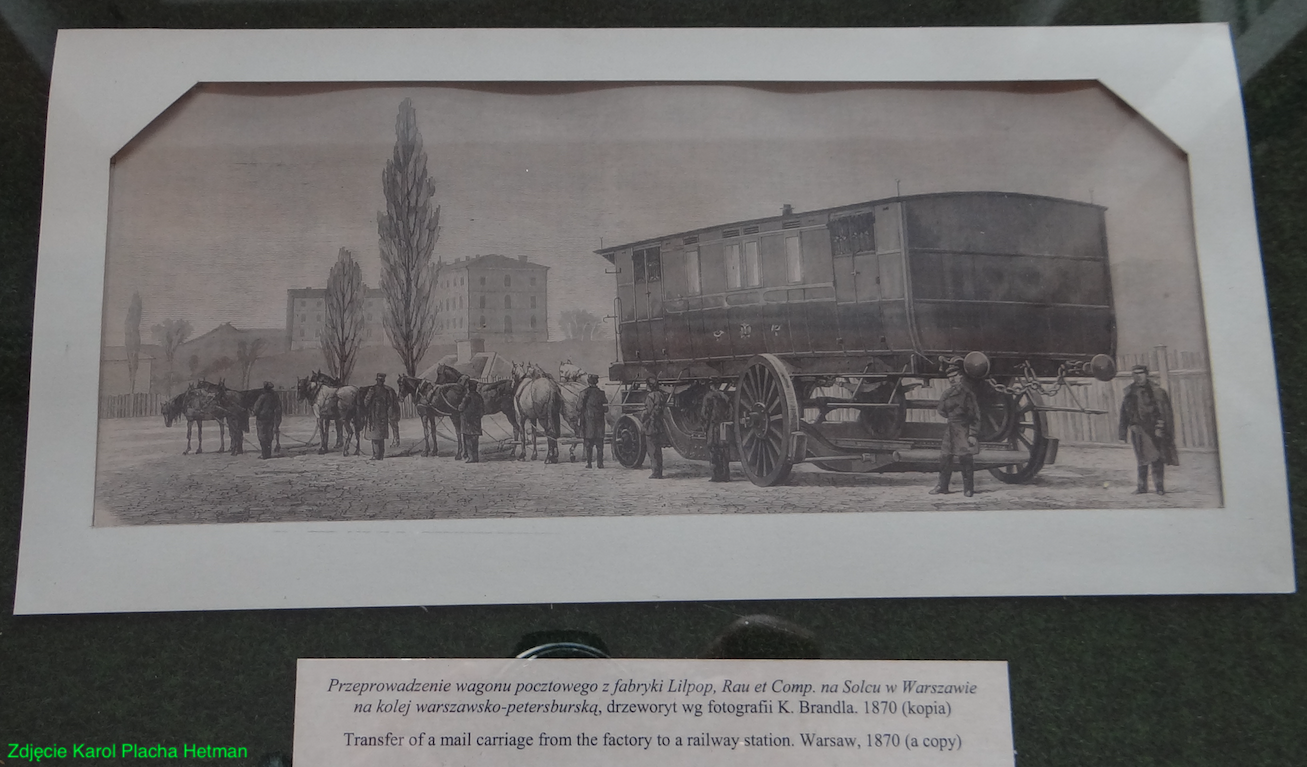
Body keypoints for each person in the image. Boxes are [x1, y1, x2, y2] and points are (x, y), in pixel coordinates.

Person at [1118, 364, 1178, 494]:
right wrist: (1123, 432)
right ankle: (1142, 487)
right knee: (1141, 459)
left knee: (1157, 459)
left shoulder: (1157, 392)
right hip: (1138, 430)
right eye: (1135, 374)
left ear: (1146, 374)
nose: (1138, 376)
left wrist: (1160, 428)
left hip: (1154, 430)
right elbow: (1124, 413)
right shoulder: (1129, 393)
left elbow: (1164, 412)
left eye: (1140, 373)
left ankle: (1159, 487)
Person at [932, 360, 980, 496]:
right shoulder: (947, 393)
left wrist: (973, 434)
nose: (952, 379)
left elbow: (975, 416)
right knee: (945, 458)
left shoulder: (968, 394)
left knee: (965, 460)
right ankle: (942, 486)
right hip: (950, 429)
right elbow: (941, 410)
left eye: (955, 375)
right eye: (949, 377)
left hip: (963, 430)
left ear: (961, 376)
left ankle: (968, 489)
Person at [700, 380, 732, 482]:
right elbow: (730, 411)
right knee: (724, 450)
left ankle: (716, 475)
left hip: (713, 427)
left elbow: (704, 414)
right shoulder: (725, 397)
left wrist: (705, 426)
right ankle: (726, 475)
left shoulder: (708, 397)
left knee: (713, 449)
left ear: (711, 385)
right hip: (723, 426)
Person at [363, 373, 399, 460]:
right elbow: (388, 404)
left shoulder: (376, 390)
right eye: (380, 380)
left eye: (381, 380)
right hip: (378, 415)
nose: (380, 382)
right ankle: (379, 455)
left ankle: (377, 455)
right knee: (378, 436)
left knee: (377, 436)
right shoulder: (384, 391)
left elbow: (366, 402)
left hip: (377, 416)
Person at [578, 374, 609, 468]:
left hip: (588, 422)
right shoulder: (601, 393)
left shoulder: (584, 393)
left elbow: (579, 407)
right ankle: (600, 463)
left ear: (588, 382)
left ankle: (589, 463)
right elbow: (606, 409)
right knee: (600, 444)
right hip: (599, 422)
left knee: (588, 444)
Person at [641, 376, 668, 479]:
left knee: (652, 450)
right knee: (658, 450)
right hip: (659, 425)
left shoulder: (650, 396)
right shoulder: (661, 395)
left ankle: (656, 472)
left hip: (651, 425)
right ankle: (659, 471)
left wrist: (643, 417)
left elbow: (648, 411)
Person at [251, 381, 281, 459]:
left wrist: (253, 412)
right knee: (269, 436)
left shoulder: (262, 397)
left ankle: (264, 454)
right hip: (271, 418)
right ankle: (268, 453)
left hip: (262, 419)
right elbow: (278, 406)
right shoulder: (275, 396)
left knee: (262, 436)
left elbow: (256, 408)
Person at [457, 378, 485, 463]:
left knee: (468, 440)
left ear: (469, 387)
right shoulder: (479, 397)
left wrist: (459, 408)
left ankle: (470, 457)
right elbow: (482, 410)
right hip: (476, 421)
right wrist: (478, 417)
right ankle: (475, 457)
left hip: (467, 422)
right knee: (475, 440)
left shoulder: (467, 396)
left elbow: (461, 408)